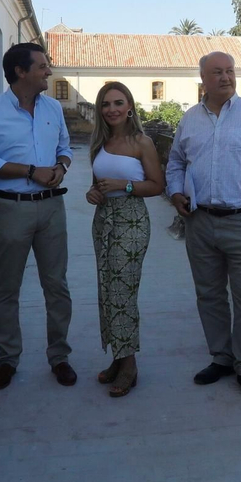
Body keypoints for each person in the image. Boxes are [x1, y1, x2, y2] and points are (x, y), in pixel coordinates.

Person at [166, 52, 241, 401]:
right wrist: (175, 192)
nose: (225, 77)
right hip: (200, 222)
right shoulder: (189, 120)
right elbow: (175, 162)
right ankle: (221, 357)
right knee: (210, 295)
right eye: (217, 72)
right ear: (202, 78)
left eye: (230, 71)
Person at [0, 42, 76, 389]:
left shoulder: (52, 108)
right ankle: (8, 359)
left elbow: (64, 148)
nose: (48, 71)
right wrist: (31, 171)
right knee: (7, 288)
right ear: (20, 71)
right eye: (43, 66)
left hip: (51, 207)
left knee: (57, 286)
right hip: (9, 208)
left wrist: (60, 167)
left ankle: (59, 356)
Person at [83, 82, 164, 397]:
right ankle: (118, 356)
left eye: (118, 102)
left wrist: (125, 185)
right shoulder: (99, 143)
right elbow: (98, 184)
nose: (112, 109)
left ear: (130, 106)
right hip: (104, 220)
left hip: (131, 220)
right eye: (106, 104)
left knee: (123, 292)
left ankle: (129, 364)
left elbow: (157, 185)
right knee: (107, 289)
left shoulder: (141, 142)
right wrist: (93, 192)